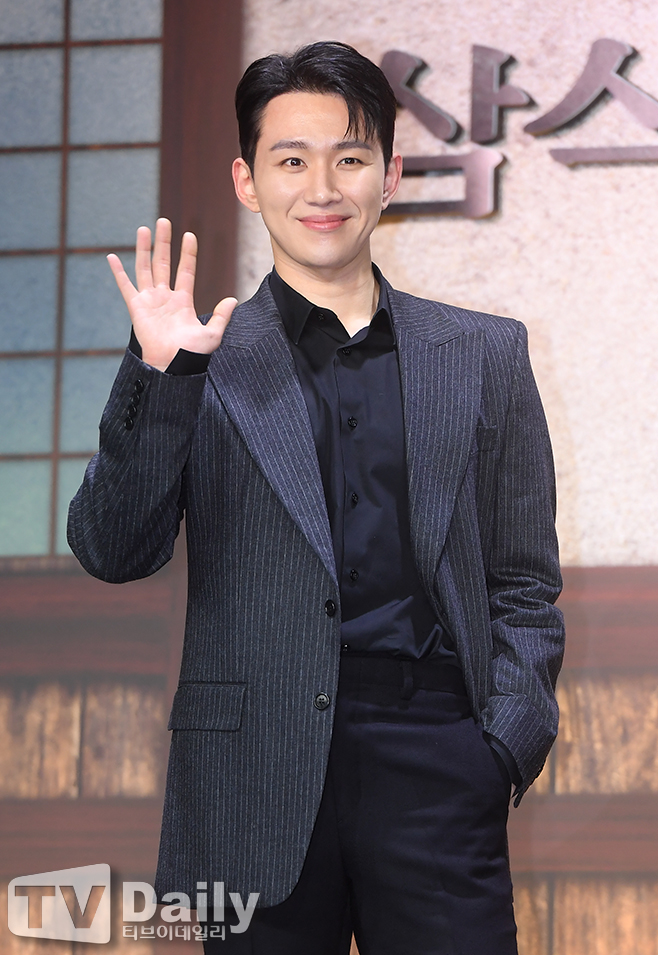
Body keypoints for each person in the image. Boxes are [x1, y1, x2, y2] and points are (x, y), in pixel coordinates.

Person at [68, 40, 565, 955]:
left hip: (438, 760)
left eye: (350, 157)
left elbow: (525, 579)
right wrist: (161, 375)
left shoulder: (485, 354)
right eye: (291, 161)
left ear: (391, 174)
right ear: (248, 181)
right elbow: (112, 548)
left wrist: (504, 739)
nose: (322, 188)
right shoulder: (203, 357)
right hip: (251, 770)